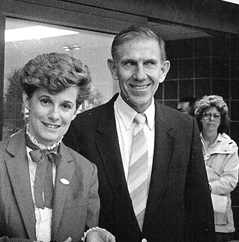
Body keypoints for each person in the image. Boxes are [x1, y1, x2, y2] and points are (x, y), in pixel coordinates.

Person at [64, 25, 214, 242]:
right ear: (113, 69)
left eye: (150, 63)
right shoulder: (81, 129)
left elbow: (200, 214)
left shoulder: (185, 127)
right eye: (129, 63)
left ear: (163, 70)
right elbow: (70, 214)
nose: (140, 75)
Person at [0, 53, 115, 242]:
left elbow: (85, 230)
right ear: (27, 100)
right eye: (46, 101)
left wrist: (90, 236)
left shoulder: (86, 171)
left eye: (65, 106)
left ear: (76, 111)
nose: (54, 115)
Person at [195, 95, 239, 242]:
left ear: (221, 120)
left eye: (216, 116)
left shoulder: (230, 146)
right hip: (195, 213)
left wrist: (206, 186)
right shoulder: (191, 141)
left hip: (219, 215)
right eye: (207, 115)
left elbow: (230, 181)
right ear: (200, 118)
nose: (211, 119)